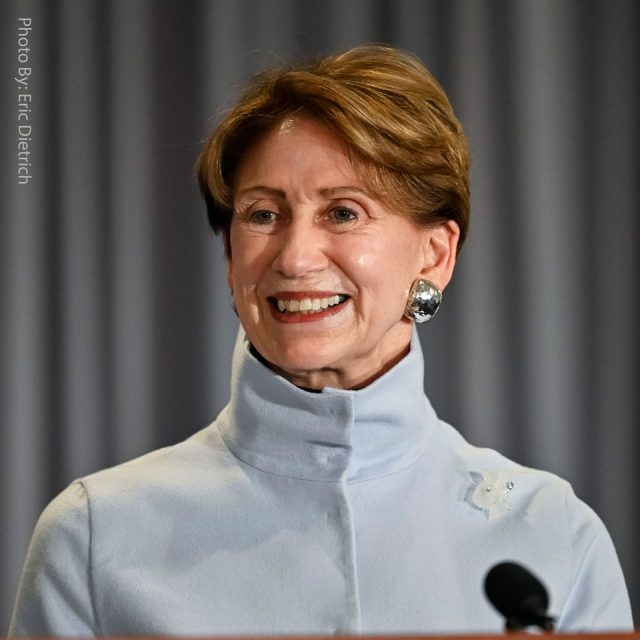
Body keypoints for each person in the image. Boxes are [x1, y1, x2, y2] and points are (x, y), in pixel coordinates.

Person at [9, 44, 632, 635]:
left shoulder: (553, 535)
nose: (296, 257)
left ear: (435, 254)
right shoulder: (94, 536)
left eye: (343, 212)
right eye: (262, 214)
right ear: (230, 256)